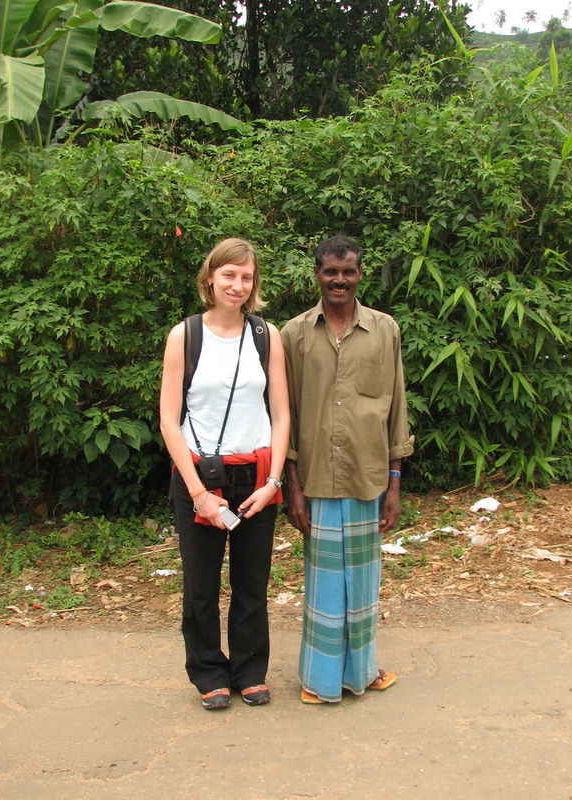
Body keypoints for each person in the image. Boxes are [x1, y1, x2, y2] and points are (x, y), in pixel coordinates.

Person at [280, 235, 414, 704]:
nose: (340, 280)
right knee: (324, 583)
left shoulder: (384, 330)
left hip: (367, 475)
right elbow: (285, 413)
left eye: (348, 272)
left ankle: (364, 671)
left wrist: (394, 483)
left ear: (359, 275)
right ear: (317, 275)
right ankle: (319, 681)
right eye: (331, 272)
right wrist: (292, 486)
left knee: (362, 581)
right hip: (315, 476)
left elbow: (396, 406)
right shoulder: (294, 334)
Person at [160, 238, 289, 710]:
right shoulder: (185, 335)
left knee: (252, 583)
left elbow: (282, 413)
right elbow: (168, 419)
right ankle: (209, 673)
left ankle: (250, 671)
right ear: (210, 278)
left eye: (246, 277)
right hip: (199, 477)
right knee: (201, 584)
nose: (237, 285)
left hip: (256, 474)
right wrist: (198, 493)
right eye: (229, 275)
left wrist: (273, 482)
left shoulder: (266, 335)